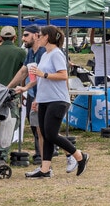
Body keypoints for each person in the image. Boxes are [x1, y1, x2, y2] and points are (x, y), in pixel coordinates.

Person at [13, 26, 88, 178]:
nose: (38, 38)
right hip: (45, 99)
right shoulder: (46, 55)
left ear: (47, 37)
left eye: (40, 36)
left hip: (57, 99)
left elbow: (63, 76)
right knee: (46, 134)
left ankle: (79, 156)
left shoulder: (56, 54)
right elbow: (39, 79)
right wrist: (31, 93)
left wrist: (44, 74)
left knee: (51, 134)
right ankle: (45, 169)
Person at [7, 25, 44, 164]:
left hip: (43, 95)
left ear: (36, 35)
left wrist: (28, 89)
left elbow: (42, 77)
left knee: (43, 130)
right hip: (33, 93)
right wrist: (8, 87)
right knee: (37, 127)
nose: (23, 38)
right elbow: (23, 71)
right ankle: (42, 155)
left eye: (26, 35)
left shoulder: (43, 52)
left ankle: (43, 157)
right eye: (23, 35)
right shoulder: (30, 53)